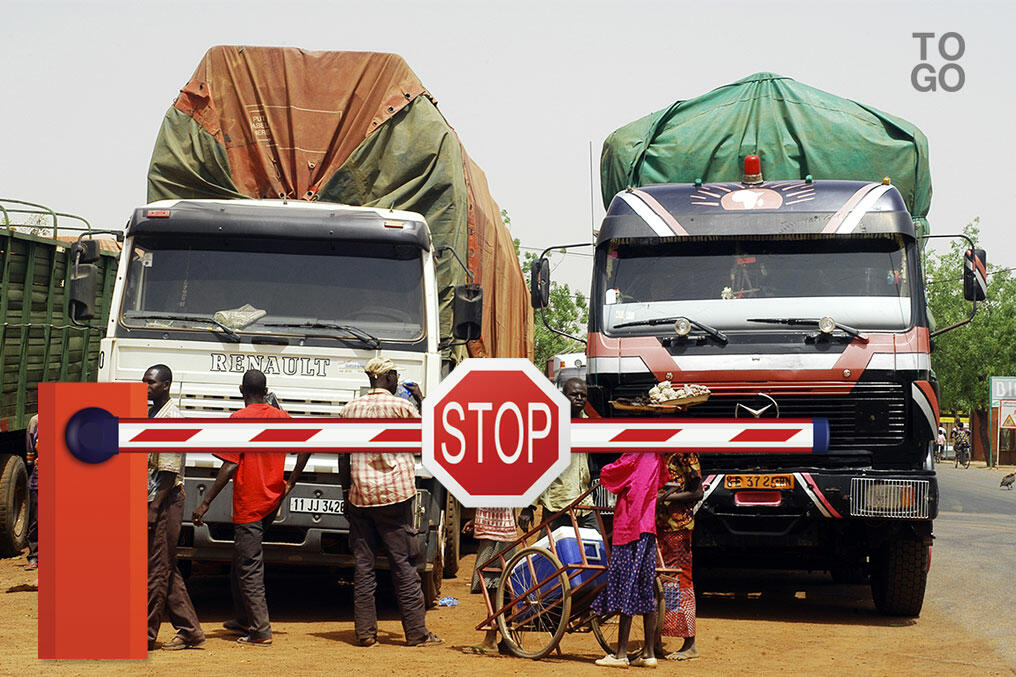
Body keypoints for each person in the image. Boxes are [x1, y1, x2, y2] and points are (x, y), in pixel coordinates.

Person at [191, 369, 310, 646]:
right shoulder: (281, 417)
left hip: (250, 503)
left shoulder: (239, 419)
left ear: (242, 390)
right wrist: (290, 483)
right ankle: (243, 617)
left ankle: (260, 630)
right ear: (266, 390)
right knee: (241, 559)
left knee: (248, 565)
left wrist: (205, 502)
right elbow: (307, 446)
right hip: (272, 498)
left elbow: (230, 463)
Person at [340, 356, 441, 647]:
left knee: (364, 567)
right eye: (395, 375)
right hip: (396, 497)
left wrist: (346, 493)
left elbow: (343, 457)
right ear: (389, 377)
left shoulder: (350, 409)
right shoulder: (402, 407)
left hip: (360, 497)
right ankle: (417, 633)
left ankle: (366, 634)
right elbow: (428, 436)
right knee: (403, 565)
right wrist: (422, 400)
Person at [142, 365, 204, 651]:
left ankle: (145, 635)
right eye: (143, 381)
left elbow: (168, 471)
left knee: (156, 569)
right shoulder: (151, 414)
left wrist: (154, 509)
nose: (145, 386)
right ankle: (190, 630)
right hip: (154, 498)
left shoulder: (171, 419)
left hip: (165, 500)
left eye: (151, 382)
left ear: (165, 385)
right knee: (165, 565)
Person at [593, 451, 669, 668]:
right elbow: (662, 479)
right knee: (646, 588)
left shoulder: (634, 455)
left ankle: (621, 654)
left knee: (626, 585)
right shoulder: (656, 457)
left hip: (629, 528)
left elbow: (609, 475)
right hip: (648, 529)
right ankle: (648, 653)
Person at [517, 378, 595, 533]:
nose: (579, 398)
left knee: (596, 544)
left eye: (583, 395)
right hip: (558, 503)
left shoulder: (588, 424)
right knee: (550, 549)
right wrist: (528, 506)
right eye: (574, 394)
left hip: (584, 503)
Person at [655, 452, 703, 661]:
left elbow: (697, 492)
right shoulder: (656, 451)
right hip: (658, 526)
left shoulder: (685, 452)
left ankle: (690, 643)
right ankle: (655, 640)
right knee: (660, 582)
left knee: (681, 581)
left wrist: (666, 497)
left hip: (678, 527)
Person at [462, 506, 516, 655]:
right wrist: (475, 520)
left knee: (492, 583)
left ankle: (491, 638)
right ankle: (507, 638)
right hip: (504, 529)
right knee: (502, 584)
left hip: (495, 532)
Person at [24, 415, 38, 571]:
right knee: (37, 519)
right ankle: (34, 556)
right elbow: (30, 453)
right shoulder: (36, 422)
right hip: (39, 479)